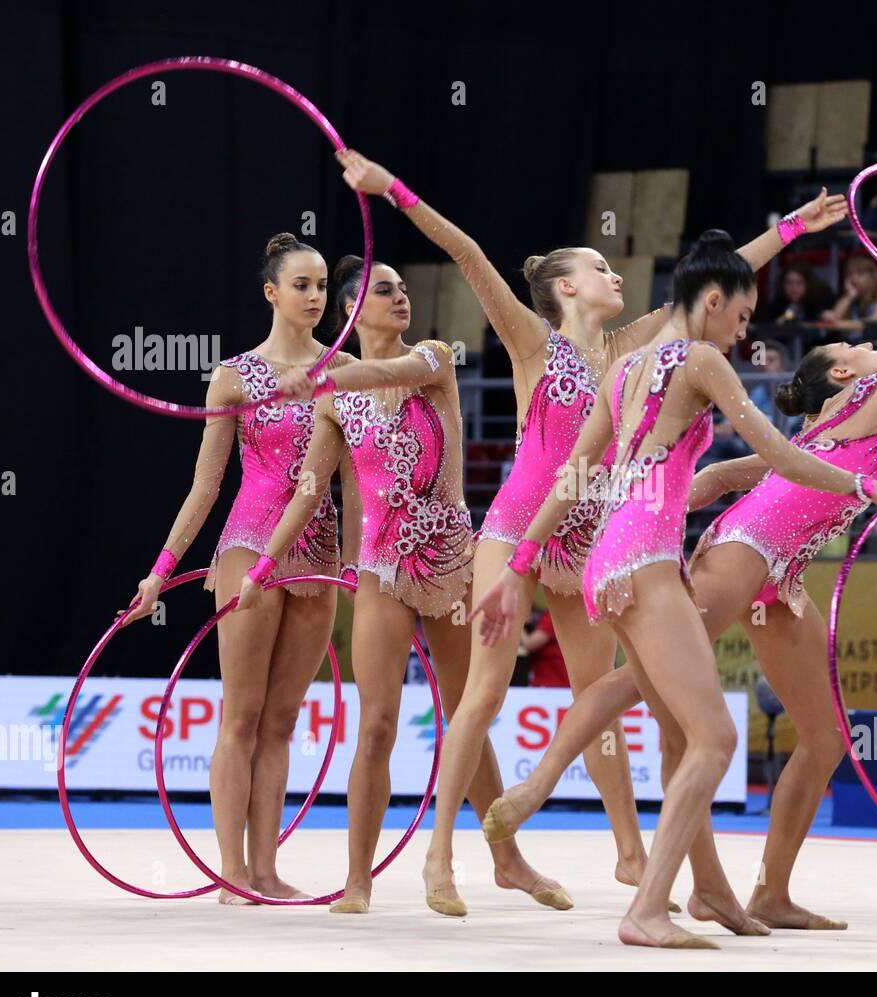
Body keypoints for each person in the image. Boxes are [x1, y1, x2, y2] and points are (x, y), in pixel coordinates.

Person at [330, 149, 851, 916]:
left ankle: (631, 853)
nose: (616, 276)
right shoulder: (530, 338)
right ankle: (441, 856)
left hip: (586, 541)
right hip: (517, 527)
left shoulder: (630, 347)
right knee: (481, 695)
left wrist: (791, 229)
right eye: (601, 267)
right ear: (565, 286)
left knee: (598, 697)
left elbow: (709, 284)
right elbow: (467, 252)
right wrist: (394, 190)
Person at [479, 333, 877, 936]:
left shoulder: (811, 437)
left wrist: (655, 507)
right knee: (640, 682)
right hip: (745, 549)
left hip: (784, 576)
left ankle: (770, 891)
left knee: (825, 736)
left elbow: (713, 477)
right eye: (853, 344)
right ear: (844, 375)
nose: (870, 343)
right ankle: (537, 784)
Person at [471, 233, 877, 948]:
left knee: (681, 734)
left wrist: (521, 566)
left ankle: (709, 892)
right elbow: (778, 452)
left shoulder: (623, 370)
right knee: (715, 737)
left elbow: (573, 476)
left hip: (607, 558)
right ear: (712, 302)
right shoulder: (701, 360)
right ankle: (647, 910)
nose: (744, 333)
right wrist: (870, 487)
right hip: (646, 552)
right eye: (741, 317)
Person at [243, 255, 565, 914]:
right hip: (381, 571)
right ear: (353, 311)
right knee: (377, 726)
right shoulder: (335, 397)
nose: (401, 298)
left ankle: (507, 860)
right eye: (385, 291)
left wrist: (322, 375)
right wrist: (262, 564)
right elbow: (308, 491)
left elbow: (389, 371)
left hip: (449, 566)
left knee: (465, 713)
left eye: (404, 289)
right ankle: (358, 880)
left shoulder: (433, 359)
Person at [120, 233, 351, 903]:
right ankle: (231, 872)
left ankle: (267, 868)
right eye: (300, 285)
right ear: (271, 293)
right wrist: (160, 572)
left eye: (320, 286)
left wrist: (365, 561)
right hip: (251, 541)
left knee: (283, 721)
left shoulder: (344, 369)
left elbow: (357, 482)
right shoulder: (235, 375)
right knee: (242, 717)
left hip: (318, 549)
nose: (313, 297)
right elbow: (205, 486)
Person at [820, 256, 877, 333]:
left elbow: (873, 323)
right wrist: (849, 296)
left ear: (872, 276)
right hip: (855, 343)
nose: (854, 278)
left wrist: (842, 324)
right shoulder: (852, 298)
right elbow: (835, 317)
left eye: (860, 273)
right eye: (850, 274)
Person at [763, 265, 831, 324]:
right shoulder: (777, 305)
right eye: (789, 283)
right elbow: (764, 326)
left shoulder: (817, 304)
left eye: (799, 283)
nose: (794, 288)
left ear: (808, 284)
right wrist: (779, 322)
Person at [520, 608, 570, 687]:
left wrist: (517, 624)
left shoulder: (553, 616)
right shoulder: (547, 615)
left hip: (553, 682)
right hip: (547, 680)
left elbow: (530, 644)